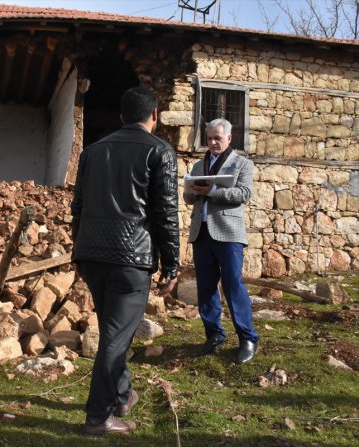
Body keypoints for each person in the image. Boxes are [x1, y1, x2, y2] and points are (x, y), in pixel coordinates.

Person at [71, 86, 179, 436]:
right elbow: (165, 213)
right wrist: (172, 263)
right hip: (131, 259)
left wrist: (79, 250)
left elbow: (78, 206)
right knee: (116, 339)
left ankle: (121, 395)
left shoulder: (92, 151)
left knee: (114, 332)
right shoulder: (160, 151)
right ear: (154, 116)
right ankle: (98, 418)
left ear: (121, 117)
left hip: (93, 256)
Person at [183, 118, 259, 365]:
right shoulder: (197, 165)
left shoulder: (242, 164)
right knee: (205, 287)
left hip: (228, 233)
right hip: (201, 233)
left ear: (229, 139)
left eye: (218, 138)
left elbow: (244, 194)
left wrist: (213, 191)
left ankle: (248, 338)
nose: (213, 142)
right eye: (210, 139)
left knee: (233, 285)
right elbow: (187, 196)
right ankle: (214, 334)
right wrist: (193, 191)